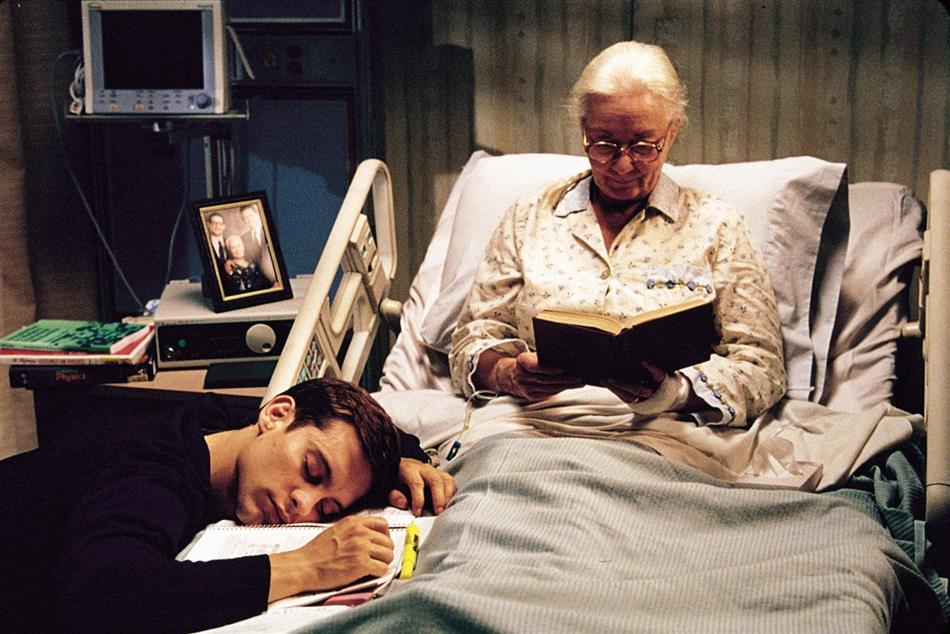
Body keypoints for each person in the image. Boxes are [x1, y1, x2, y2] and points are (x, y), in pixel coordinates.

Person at [449, 41, 786, 427]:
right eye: (604, 144)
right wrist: (508, 374)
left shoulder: (717, 227)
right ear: (583, 130)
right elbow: (470, 340)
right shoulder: (529, 218)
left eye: (643, 146)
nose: (623, 166)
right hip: (538, 425)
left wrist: (673, 393)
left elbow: (763, 369)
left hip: (663, 432)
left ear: (672, 132)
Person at [0, 377, 456, 633]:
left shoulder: (226, 425)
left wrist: (402, 462)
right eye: (312, 471)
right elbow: (105, 593)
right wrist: (305, 567)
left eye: (327, 509)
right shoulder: (152, 474)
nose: (303, 504)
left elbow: (361, 435)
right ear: (276, 414)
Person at [240, 204, 277, 285]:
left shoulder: (270, 230)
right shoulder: (243, 238)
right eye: (245, 218)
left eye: (250, 215)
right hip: (259, 282)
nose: (248, 220)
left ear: (257, 214)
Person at [205, 211, 229, 277]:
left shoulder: (230, 242)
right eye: (214, 223)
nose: (217, 226)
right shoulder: (205, 244)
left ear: (224, 226)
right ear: (208, 224)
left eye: (220, 224)